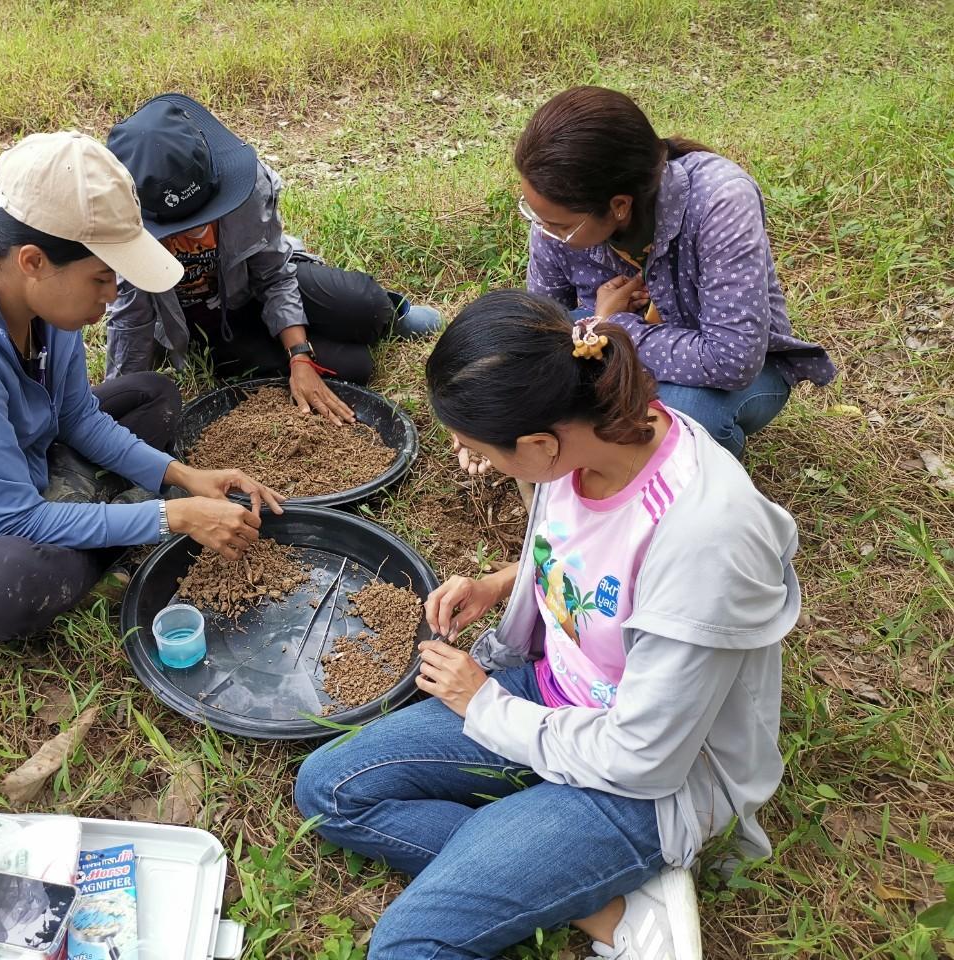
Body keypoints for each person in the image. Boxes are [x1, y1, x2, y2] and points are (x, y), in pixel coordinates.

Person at [297, 290, 801, 960]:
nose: (462, 451)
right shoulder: (593, 438)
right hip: (552, 692)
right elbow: (596, 559)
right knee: (328, 789)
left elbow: (643, 759)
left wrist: (482, 703)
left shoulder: (705, 540)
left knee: (409, 946)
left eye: (475, 444)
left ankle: (561, 855)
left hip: (644, 782)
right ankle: (588, 891)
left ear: (537, 444)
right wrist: (497, 585)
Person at [0, 131, 283, 645]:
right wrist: (172, 515)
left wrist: (186, 476)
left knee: (153, 397)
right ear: (33, 262)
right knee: (15, 582)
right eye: (101, 279)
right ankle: (104, 522)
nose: (111, 298)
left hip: (2, 471)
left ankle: (99, 517)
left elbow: (77, 417)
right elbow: (14, 517)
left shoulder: (46, 310)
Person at [512, 85, 836, 459]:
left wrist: (611, 327)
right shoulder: (558, 214)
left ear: (619, 206)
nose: (545, 230)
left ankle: (704, 487)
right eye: (538, 217)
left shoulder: (720, 202)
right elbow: (542, 324)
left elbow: (732, 360)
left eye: (557, 224)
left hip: (736, 367)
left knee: (680, 421)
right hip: (615, 340)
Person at [104, 93, 442, 424]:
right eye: (182, 227)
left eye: (205, 217)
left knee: (366, 306)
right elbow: (131, 321)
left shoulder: (246, 186)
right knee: (356, 366)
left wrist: (300, 356)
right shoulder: (126, 230)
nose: (196, 234)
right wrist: (118, 406)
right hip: (211, 325)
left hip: (253, 286)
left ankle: (392, 316)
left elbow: (274, 276)